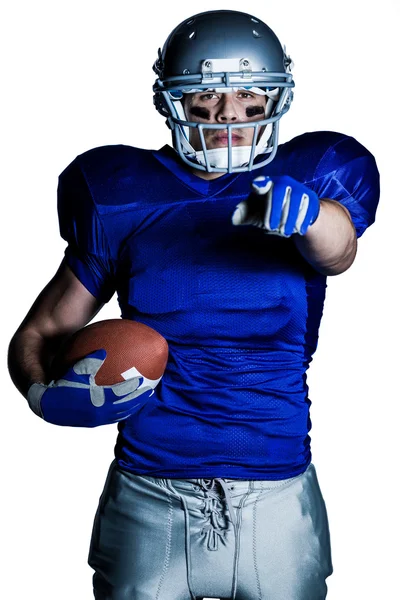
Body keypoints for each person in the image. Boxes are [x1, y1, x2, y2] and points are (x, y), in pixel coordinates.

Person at [7, 9, 379, 600]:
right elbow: (43, 331)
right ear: (170, 101)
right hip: (148, 493)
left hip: (277, 494)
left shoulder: (313, 176)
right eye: (206, 97)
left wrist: (307, 216)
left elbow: (340, 251)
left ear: (277, 99)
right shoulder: (119, 193)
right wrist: (38, 395)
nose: (228, 117)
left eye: (249, 99)